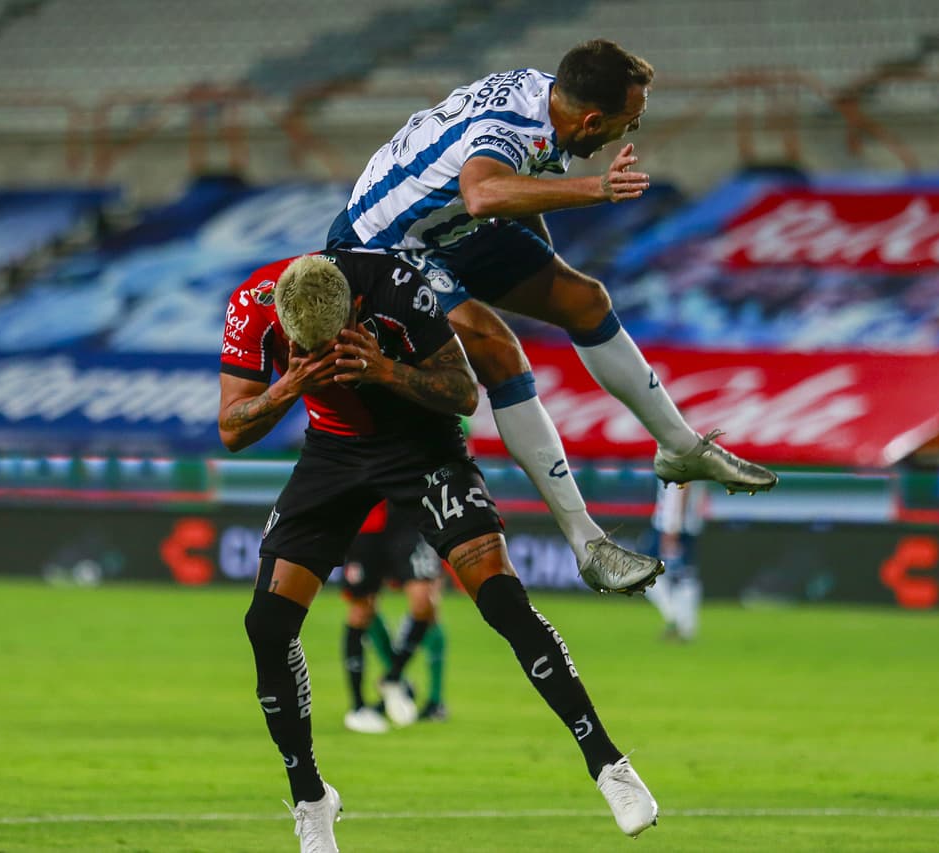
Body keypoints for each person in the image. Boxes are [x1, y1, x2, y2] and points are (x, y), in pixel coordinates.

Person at [219, 252, 658, 851]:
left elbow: (461, 392)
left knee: (501, 598)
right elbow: (231, 426)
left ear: (354, 307)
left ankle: (610, 766)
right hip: (333, 454)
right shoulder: (252, 305)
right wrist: (291, 386)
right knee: (266, 624)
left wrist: (383, 372)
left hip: (420, 446)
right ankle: (310, 799)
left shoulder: (398, 287)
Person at [326, 39, 778, 596]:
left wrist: (545, 270)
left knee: (583, 299)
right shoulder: (513, 128)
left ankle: (680, 449)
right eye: (627, 122)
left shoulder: (550, 98)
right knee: (499, 350)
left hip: (447, 228)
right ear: (592, 120)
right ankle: (587, 544)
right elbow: (483, 193)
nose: (627, 134)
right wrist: (599, 189)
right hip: (384, 246)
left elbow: (511, 193)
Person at [340, 499, 447, 733]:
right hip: (367, 522)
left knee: (424, 602)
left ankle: (394, 676)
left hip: (408, 520)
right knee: (360, 611)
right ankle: (358, 706)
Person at [641, 481, 708, 641]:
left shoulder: (679, 457)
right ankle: (682, 624)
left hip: (672, 526)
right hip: (681, 523)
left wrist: (672, 526)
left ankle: (681, 624)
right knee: (682, 576)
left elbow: (682, 486)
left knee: (649, 574)